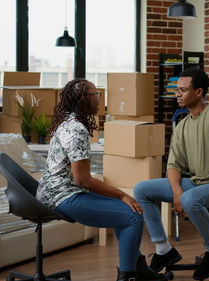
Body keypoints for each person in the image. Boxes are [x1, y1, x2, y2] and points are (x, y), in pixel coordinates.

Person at [36, 78, 168, 281]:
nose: (99, 98)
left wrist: (120, 198)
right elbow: (83, 180)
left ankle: (138, 268)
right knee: (133, 215)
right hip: (63, 197)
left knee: (125, 211)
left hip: (56, 193)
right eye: (95, 94)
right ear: (83, 99)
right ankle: (128, 275)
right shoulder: (76, 130)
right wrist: (124, 195)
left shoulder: (69, 122)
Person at [134, 69, 209, 280]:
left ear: (198, 92)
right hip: (196, 183)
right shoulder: (183, 126)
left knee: (189, 199)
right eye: (176, 90)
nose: (177, 94)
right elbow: (173, 165)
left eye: (182, 90)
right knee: (142, 189)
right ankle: (163, 249)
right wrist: (177, 191)